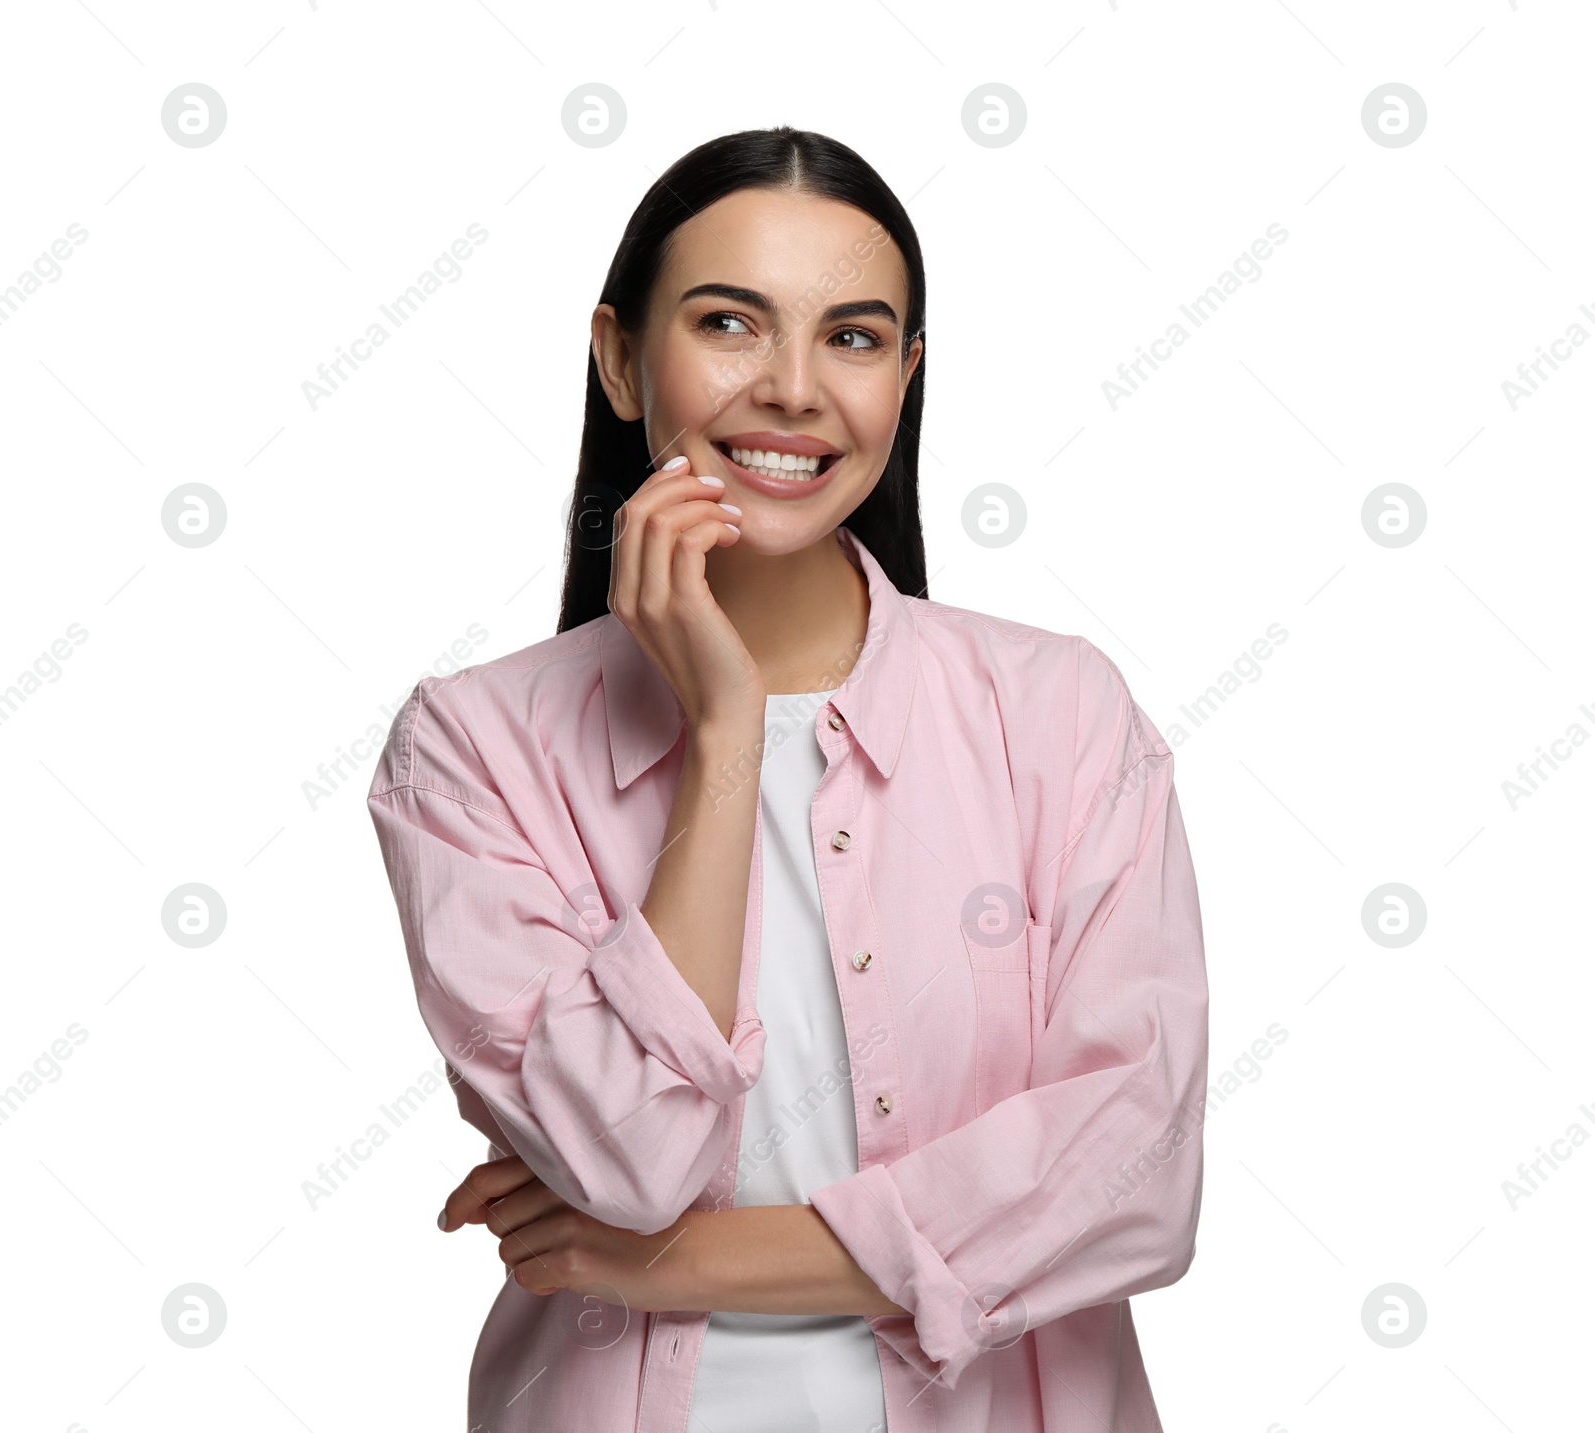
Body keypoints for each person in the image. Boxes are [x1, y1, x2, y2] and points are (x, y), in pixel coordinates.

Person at [366, 124, 1209, 1433]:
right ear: (621, 360)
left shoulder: (1059, 713)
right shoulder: (473, 749)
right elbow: (628, 1158)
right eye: (730, 324)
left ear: (907, 377)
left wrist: (675, 1262)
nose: (795, 389)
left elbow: (1134, 1163)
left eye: (855, 338)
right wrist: (725, 733)